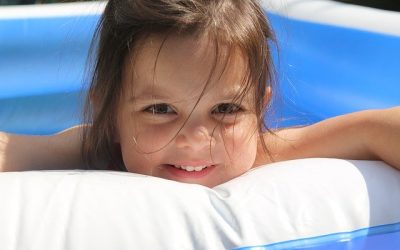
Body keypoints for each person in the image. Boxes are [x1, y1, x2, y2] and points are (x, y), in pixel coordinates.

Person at [0, 0, 399, 187]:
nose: (195, 139)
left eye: (226, 108)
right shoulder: (96, 149)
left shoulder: (263, 151)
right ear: (109, 110)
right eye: (160, 109)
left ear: (260, 110)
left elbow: (372, 127)